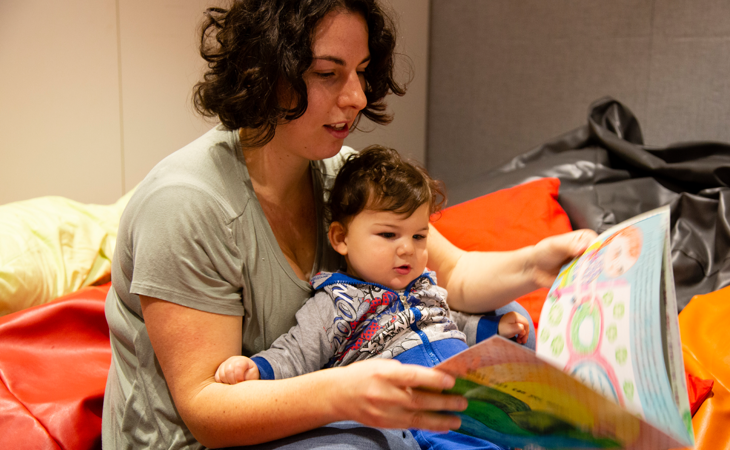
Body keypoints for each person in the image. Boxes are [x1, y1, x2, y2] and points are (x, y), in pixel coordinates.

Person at [101, 0, 597, 448]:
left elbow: (455, 277)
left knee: (508, 325)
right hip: (206, 440)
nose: (357, 96)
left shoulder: (340, 174)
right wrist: (344, 393)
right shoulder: (186, 205)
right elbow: (210, 411)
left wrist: (537, 264)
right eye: (327, 73)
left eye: (360, 72)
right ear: (263, 71)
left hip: (325, 405)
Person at [216, 146, 530, 450]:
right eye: (388, 235)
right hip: (419, 415)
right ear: (341, 239)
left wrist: (492, 329)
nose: (408, 248)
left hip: (473, 396)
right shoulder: (336, 303)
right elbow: (297, 353)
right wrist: (256, 369)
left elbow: (449, 322)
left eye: (419, 236)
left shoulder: (424, 285)